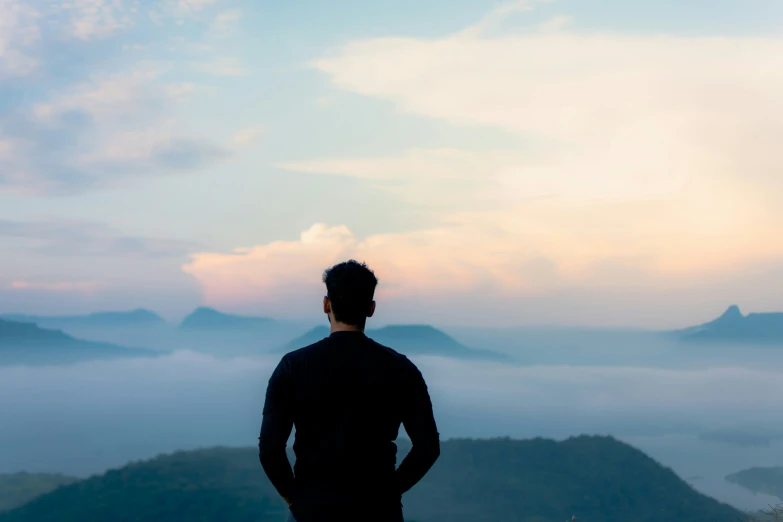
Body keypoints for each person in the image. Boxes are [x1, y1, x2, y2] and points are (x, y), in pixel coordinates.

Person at [258, 260, 441, 522]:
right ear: (371, 308)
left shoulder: (293, 366)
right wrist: (390, 492)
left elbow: (270, 451)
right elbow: (427, 447)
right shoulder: (401, 369)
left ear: (326, 304)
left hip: (311, 507)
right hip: (379, 510)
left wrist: (295, 499)